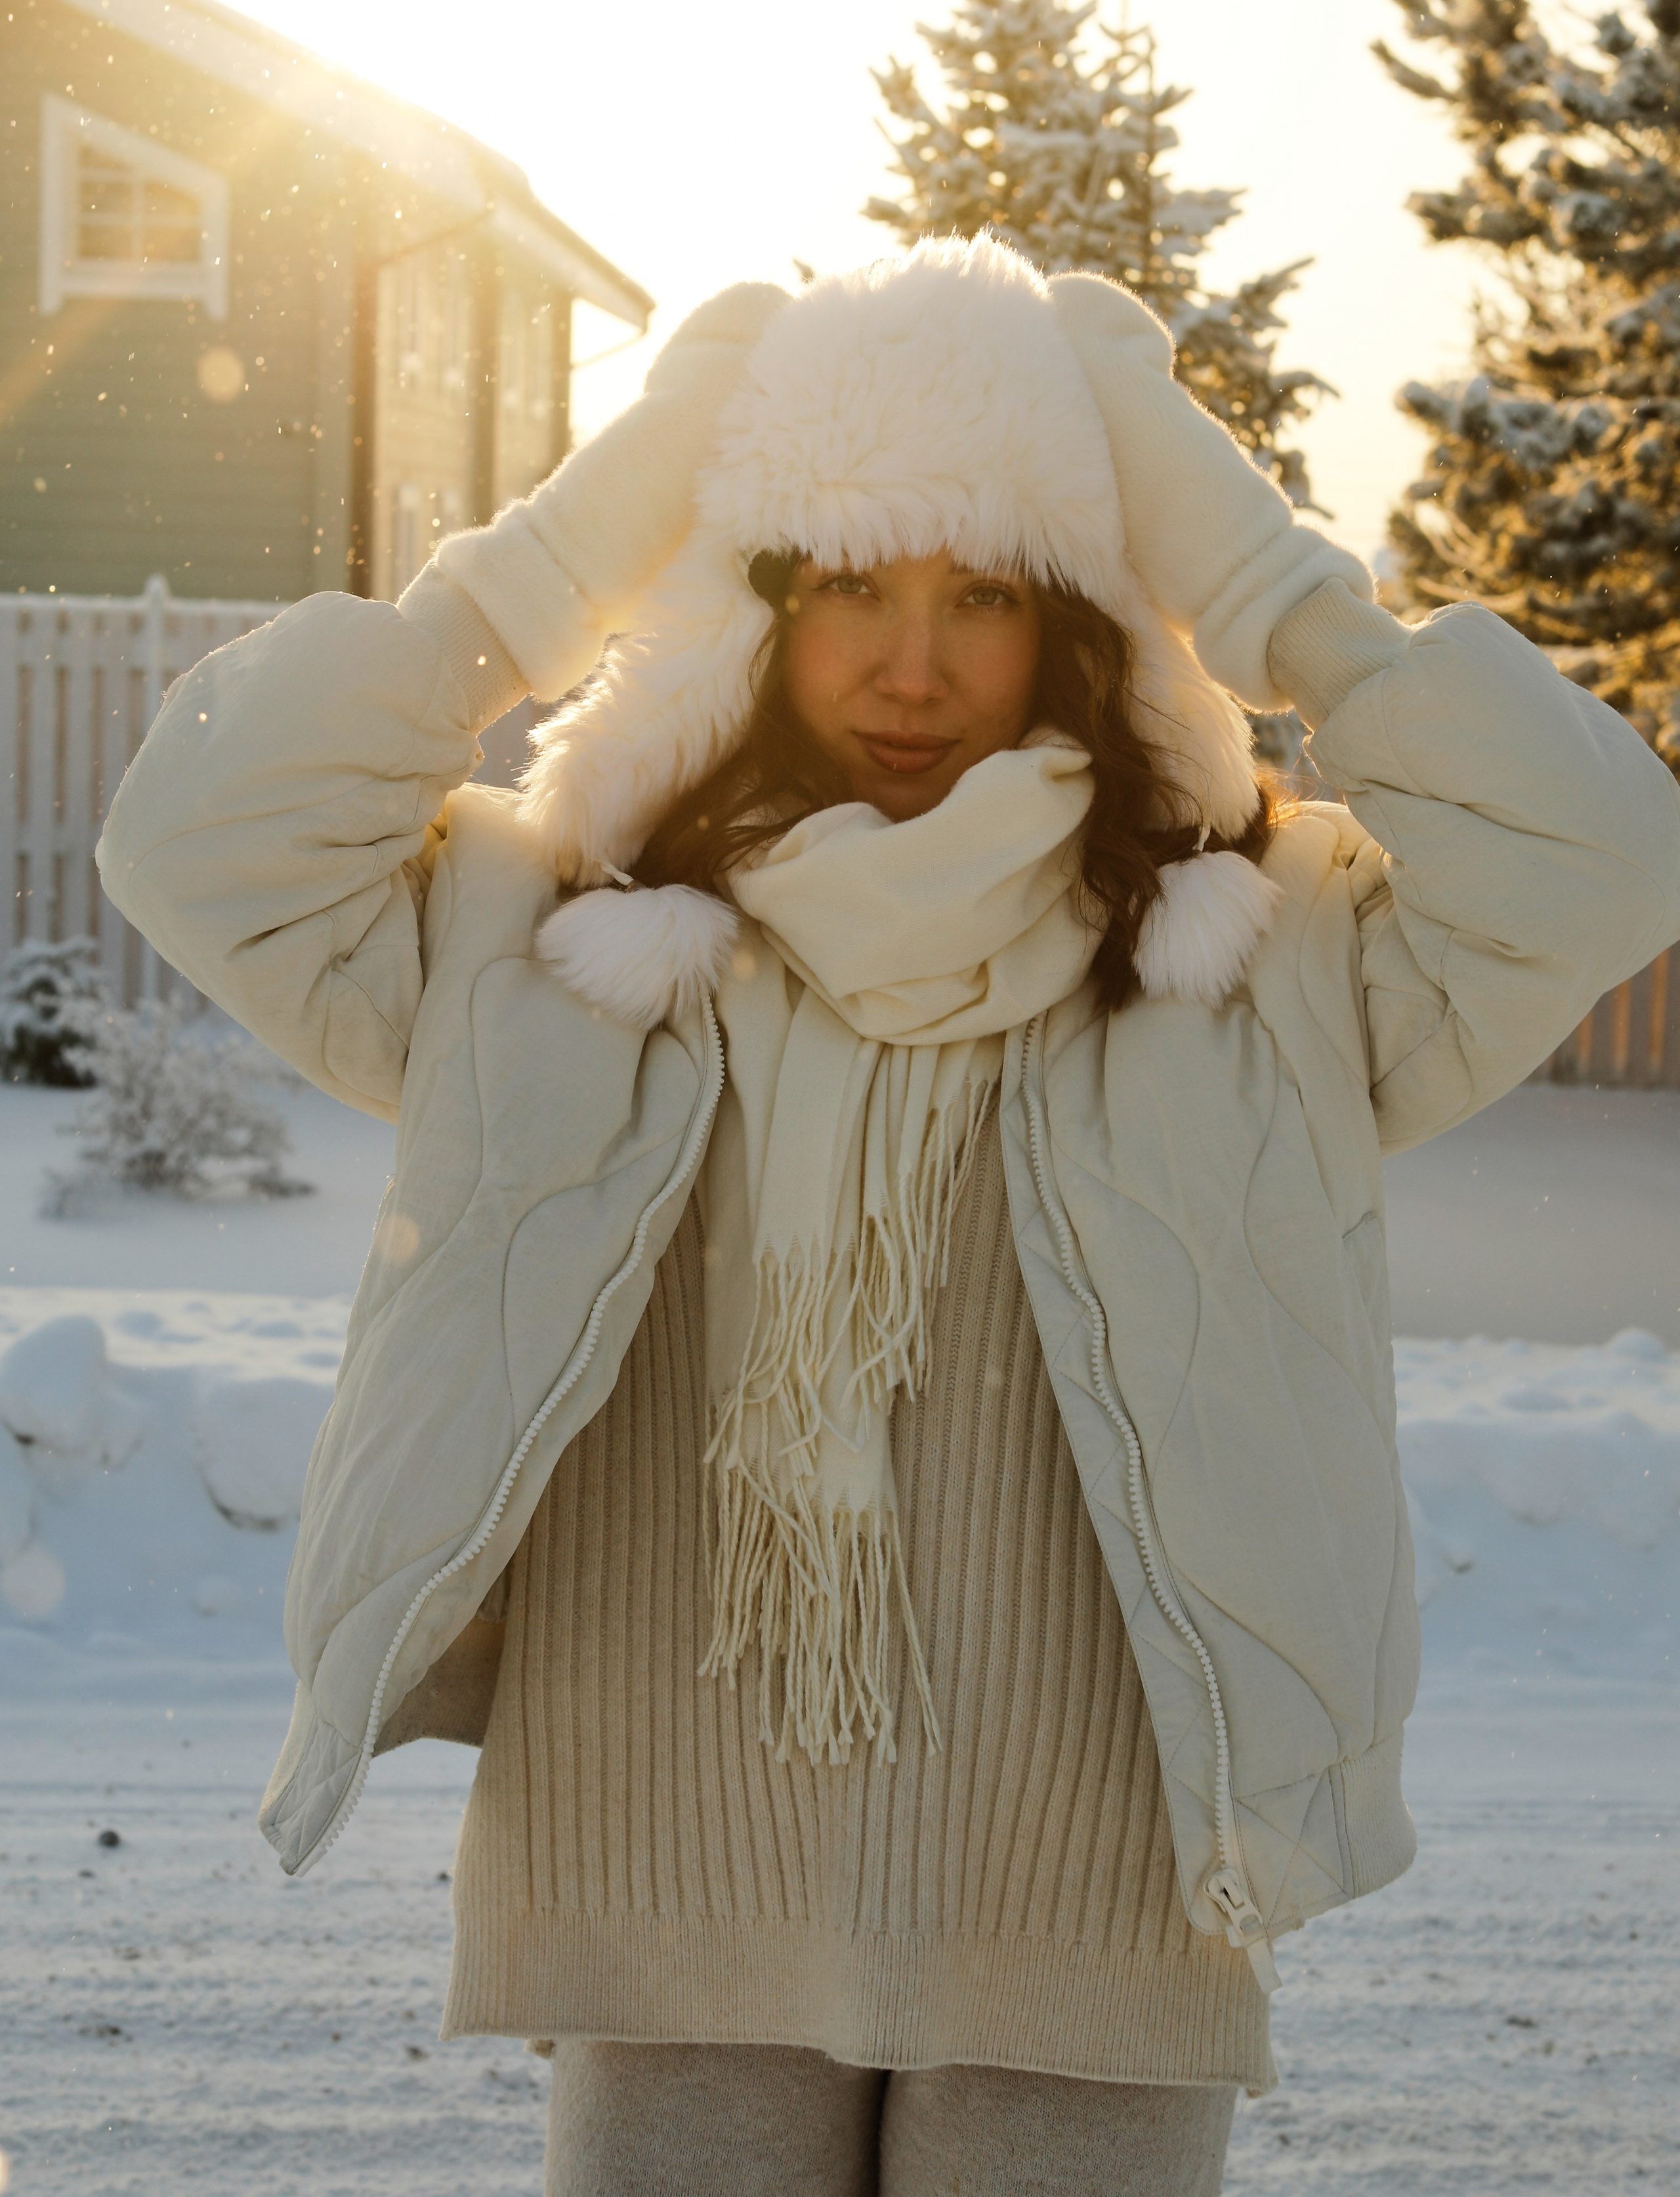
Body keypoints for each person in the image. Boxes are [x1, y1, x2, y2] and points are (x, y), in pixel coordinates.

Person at [98, 237, 1680, 2196]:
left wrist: (1249, 568)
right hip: (667, 1864)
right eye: (843, 578)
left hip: (1097, 1889)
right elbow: (194, 831)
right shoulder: (561, 943)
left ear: (1086, 619)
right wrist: (577, 535)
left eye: (986, 589)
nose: (911, 664)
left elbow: (1605, 857)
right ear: (746, 602)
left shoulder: (1257, 954)